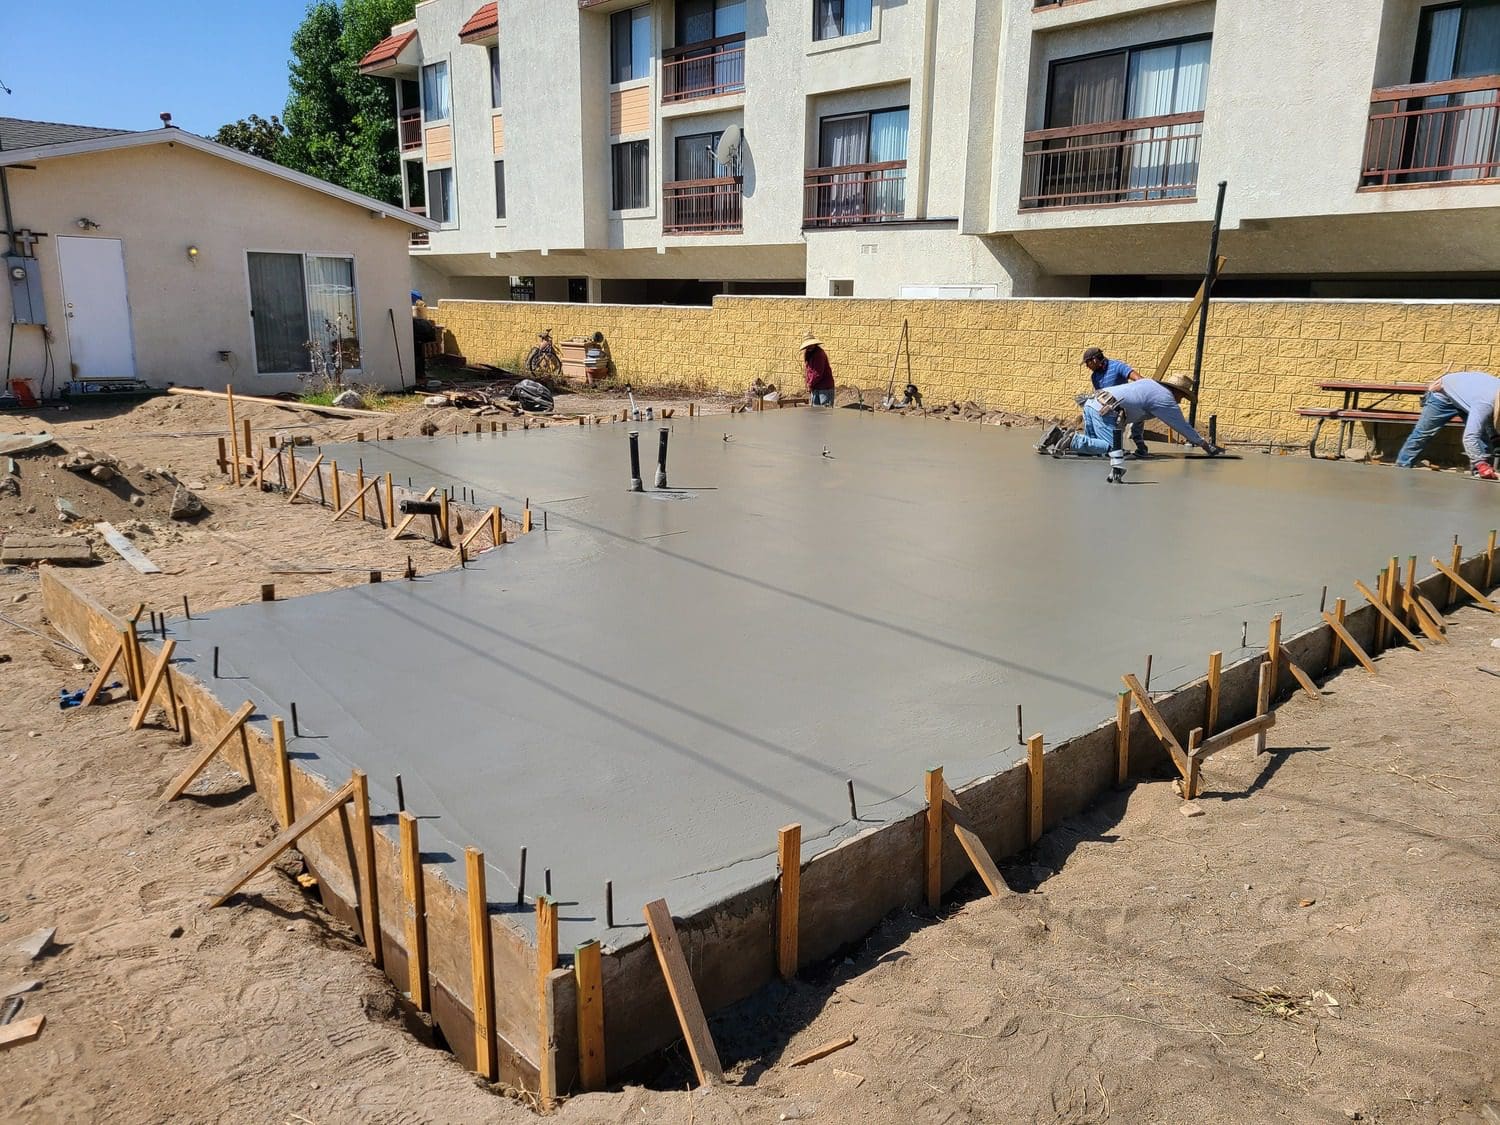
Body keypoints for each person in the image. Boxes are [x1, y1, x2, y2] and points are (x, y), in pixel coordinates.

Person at [1039, 373, 1223, 458]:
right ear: (1176, 391)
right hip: (1106, 411)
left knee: (1093, 450)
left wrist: (1140, 446)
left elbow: (1138, 422)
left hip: (1093, 403)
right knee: (1113, 449)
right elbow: (1181, 426)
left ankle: (1057, 438)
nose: (1180, 402)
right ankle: (1069, 440)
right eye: (1182, 397)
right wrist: (1206, 445)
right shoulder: (1165, 399)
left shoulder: (1149, 386)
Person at [1393, 370, 1500, 479]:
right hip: (1443, 394)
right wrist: (1480, 463)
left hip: (1469, 396)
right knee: (1423, 433)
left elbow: (1490, 419)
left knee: (1483, 438)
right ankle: (1402, 467)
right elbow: (1470, 437)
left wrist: (1494, 437)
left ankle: (1482, 474)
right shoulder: (1485, 404)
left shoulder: (1492, 398)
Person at [801, 333, 836, 406]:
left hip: (825, 388)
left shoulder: (819, 354)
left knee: (825, 412)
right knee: (815, 413)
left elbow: (817, 373)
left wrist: (810, 384)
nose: (809, 346)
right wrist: (808, 383)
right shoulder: (808, 354)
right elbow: (808, 371)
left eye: (810, 344)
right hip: (815, 387)